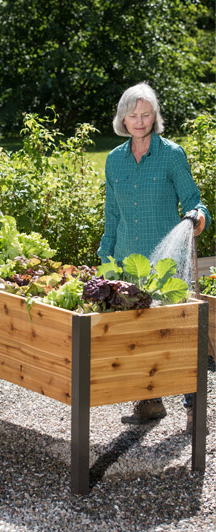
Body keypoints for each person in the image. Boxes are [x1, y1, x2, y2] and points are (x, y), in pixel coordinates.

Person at [97, 82, 211, 432]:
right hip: (129, 262)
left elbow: (195, 200)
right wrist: (105, 257)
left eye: (146, 114)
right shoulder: (114, 159)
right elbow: (111, 214)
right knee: (138, 336)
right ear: (123, 118)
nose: (140, 121)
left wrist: (197, 218)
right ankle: (149, 403)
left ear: (155, 117)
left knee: (180, 335)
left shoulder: (171, 154)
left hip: (168, 265)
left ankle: (193, 412)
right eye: (133, 115)